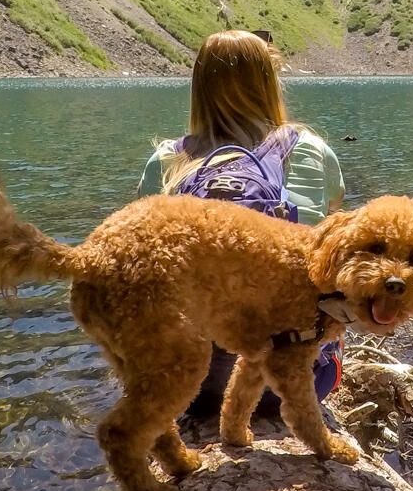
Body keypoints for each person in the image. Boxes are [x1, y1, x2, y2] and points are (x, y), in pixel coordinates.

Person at [137, 29, 345, 418]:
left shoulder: (167, 160)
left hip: (188, 384)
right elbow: (331, 222)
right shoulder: (310, 148)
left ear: (199, 86)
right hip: (287, 383)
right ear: (270, 83)